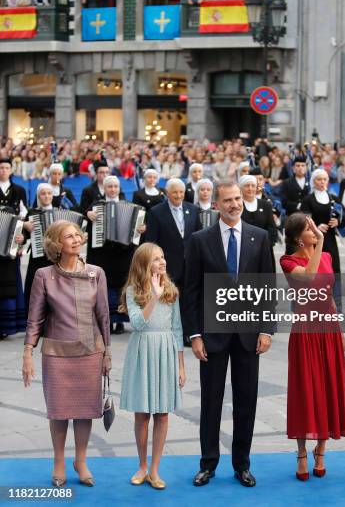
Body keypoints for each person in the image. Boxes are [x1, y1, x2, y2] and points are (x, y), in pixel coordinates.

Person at [183, 180, 273, 488]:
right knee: (211, 400)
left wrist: (266, 329)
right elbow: (191, 291)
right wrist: (194, 335)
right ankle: (208, 464)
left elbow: (267, 285)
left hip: (249, 333)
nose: (235, 204)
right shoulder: (199, 240)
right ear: (216, 204)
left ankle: (242, 465)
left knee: (246, 400)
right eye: (228, 200)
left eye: (238, 199)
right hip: (212, 334)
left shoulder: (259, 237)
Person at [23, 220, 111, 488]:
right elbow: (35, 319)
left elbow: (104, 317)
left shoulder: (97, 273)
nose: (75, 239)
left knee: (86, 411)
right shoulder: (43, 275)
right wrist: (28, 352)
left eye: (77, 235)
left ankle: (81, 461)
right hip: (57, 355)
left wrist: (107, 354)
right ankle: (59, 461)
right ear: (55, 244)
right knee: (59, 412)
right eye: (68, 236)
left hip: (90, 353)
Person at [280, 214, 345, 481]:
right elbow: (308, 278)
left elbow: (329, 298)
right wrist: (321, 243)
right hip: (305, 332)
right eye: (310, 228)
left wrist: (341, 334)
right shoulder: (288, 261)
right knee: (305, 391)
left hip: (328, 331)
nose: (315, 230)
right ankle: (300, 453)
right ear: (300, 236)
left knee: (328, 389)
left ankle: (321, 451)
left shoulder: (328, 258)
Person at [119, 243, 185, 489]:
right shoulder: (132, 290)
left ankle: (155, 469)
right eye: (156, 259)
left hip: (166, 350)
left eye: (163, 257)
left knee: (163, 413)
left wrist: (180, 365)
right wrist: (153, 298)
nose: (163, 262)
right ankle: (142, 465)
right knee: (142, 413)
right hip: (143, 350)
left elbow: (177, 329)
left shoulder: (171, 290)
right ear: (144, 265)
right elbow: (137, 323)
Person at [86, 175, 142, 335]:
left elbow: (137, 228)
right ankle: (107, 320)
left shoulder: (129, 205)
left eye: (116, 187)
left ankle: (120, 321)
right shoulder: (96, 205)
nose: (113, 189)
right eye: (110, 186)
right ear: (104, 188)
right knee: (104, 287)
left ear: (119, 188)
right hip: (103, 253)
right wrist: (88, 215)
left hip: (123, 254)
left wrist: (140, 229)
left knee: (122, 287)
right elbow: (83, 220)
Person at [145, 178, 201, 297]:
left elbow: (199, 237)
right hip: (167, 268)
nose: (179, 195)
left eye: (181, 192)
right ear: (167, 193)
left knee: (189, 302)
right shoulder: (155, 212)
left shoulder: (194, 210)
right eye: (175, 192)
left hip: (190, 267)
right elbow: (151, 242)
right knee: (169, 301)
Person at [0, 157, 27, 339]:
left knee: (10, 285)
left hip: (10, 243)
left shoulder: (19, 190)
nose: (3, 170)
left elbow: (24, 217)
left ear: (11, 169)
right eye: (0, 167)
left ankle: (7, 327)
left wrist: (21, 238)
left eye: (6, 167)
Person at [23, 184, 57, 312]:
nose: (46, 196)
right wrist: (24, 228)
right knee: (35, 289)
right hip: (37, 257)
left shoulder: (60, 210)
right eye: (43, 193)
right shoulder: (32, 213)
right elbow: (23, 236)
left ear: (52, 196)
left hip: (56, 258)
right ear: (38, 196)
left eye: (49, 193)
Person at [302, 168, 342, 274]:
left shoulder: (333, 198)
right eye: (319, 179)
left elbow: (344, 215)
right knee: (316, 269)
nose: (322, 182)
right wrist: (315, 227)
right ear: (313, 182)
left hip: (330, 238)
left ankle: (334, 290)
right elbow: (304, 219)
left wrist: (338, 221)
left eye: (325, 179)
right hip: (313, 239)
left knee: (332, 267)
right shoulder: (308, 199)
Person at [239, 175, 277, 270]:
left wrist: (266, 244)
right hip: (243, 250)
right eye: (247, 186)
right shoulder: (237, 205)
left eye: (253, 185)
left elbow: (272, 227)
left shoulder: (266, 205)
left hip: (264, 249)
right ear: (241, 188)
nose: (250, 188)